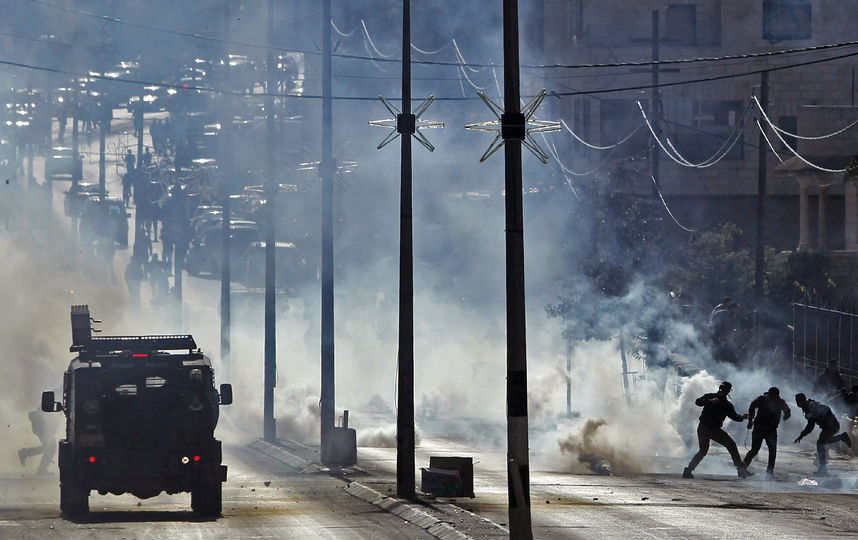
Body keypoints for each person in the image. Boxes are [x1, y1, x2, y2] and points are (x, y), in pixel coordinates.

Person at [683, 381, 754, 479]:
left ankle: (688, 470)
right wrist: (710, 401)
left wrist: (743, 417)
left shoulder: (726, 404)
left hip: (712, 429)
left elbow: (735, 417)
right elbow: (698, 402)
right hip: (706, 427)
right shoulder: (711, 397)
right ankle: (688, 470)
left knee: (724, 447)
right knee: (706, 450)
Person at [794, 393, 852, 475]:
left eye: (798, 401)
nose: (797, 403)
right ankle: (840, 438)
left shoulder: (809, 408)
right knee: (823, 443)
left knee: (820, 444)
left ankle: (823, 469)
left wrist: (801, 435)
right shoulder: (809, 405)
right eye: (796, 401)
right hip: (829, 426)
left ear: (803, 400)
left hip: (830, 426)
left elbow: (810, 425)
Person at [742, 387, 791, 478]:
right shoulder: (778, 401)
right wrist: (785, 416)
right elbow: (787, 412)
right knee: (771, 450)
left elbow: (752, 405)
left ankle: (743, 468)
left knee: (756, 450)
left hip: (762, 428)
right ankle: (769, 473)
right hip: (768, 430)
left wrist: (751, 420)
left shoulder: (763, 399)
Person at [18, 408, 58, 475]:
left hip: (43, 429)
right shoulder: (44, 408)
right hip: (43, 429)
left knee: (50, 448)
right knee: (51, 448)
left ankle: (25, 453)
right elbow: (44, 414)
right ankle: (41, 469)